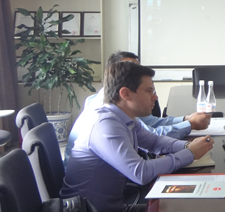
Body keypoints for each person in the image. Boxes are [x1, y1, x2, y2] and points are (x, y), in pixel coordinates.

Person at [61, 62, 214, 212]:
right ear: (125, 94)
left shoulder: (124, 117)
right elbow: (141, 173)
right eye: (149, 91)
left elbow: (155, 142)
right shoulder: (105, 125)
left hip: (111, 207)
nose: (155, 97)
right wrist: (190, 153)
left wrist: (188, 146)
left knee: (178, 209)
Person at [65, 51, 210, 159]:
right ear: (115, 74)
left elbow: (153, 135)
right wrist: (189, 150)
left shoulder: (122, 108)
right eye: (130, 69)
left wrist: (186, 123)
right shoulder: (106, 118)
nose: (137, 74)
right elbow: (140, 172)